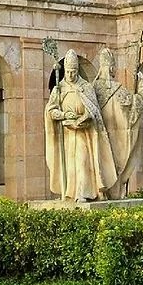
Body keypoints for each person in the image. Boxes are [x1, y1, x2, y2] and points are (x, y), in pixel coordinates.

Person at [44, 50, 117, 202]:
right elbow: (51, 110)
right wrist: (63, 115)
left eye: (74, 71)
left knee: (82, 161)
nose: (71, 75)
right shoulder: (60, 88)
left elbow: (94, 109)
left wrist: (86, 117)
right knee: (70, 166)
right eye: (69, 71)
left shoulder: (86, 87)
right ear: (65, 70)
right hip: (67, 133)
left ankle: (83, 192)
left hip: (84, 132)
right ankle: (70, 192)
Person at [92, 47, 143, 199]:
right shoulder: (117, 90)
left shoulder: (91, 89)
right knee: (115, 167)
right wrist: (141, 83)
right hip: (115, 145)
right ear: (111, 68)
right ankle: (113, 192)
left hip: (97, 143)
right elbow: (139, 103)